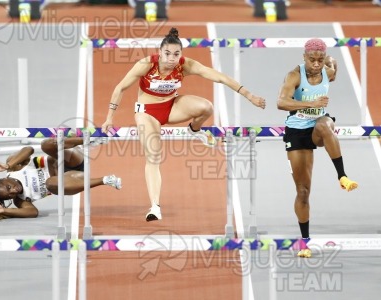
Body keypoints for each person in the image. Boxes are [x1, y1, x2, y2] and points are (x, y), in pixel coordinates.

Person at [101, 27, 266, 222]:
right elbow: (120, 88)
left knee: (207, 107)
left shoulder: (185, 65)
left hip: (172, 107)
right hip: (147, 113)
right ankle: (155, 206)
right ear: (160, 52)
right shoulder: (145, 64)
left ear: (181, 54)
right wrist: (109, 117)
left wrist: (249, 95)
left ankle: (194, 130)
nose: (172, 58)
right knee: (154, 155)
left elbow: (219, 77)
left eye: (176, 54)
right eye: (167, 53)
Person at [277, 38, 358, 258]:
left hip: (318, 128)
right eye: (312, 59)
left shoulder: (327, 70)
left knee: (324, 123)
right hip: (296, 131)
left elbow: (333, 67)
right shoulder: (294, 75)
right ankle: (305, 242)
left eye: (320, 60)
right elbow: (281, 102)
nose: (316, 64)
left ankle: (342, 176)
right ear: (304, 57)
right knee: (303, 193)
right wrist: (310, 104)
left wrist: (330, 63)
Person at [0, 137, 122, 220]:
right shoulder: (20, 200)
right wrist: (4, 211)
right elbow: (33, 212)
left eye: (9, 187)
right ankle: (106, 180)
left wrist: (9, 165)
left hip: (70, 159)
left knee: (46, 145)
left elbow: (28, 150)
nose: (14, 192)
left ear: (4, 179)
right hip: (72, 178)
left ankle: (88, 140)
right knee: (51, 183)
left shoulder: (14, 166)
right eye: (9, 196)